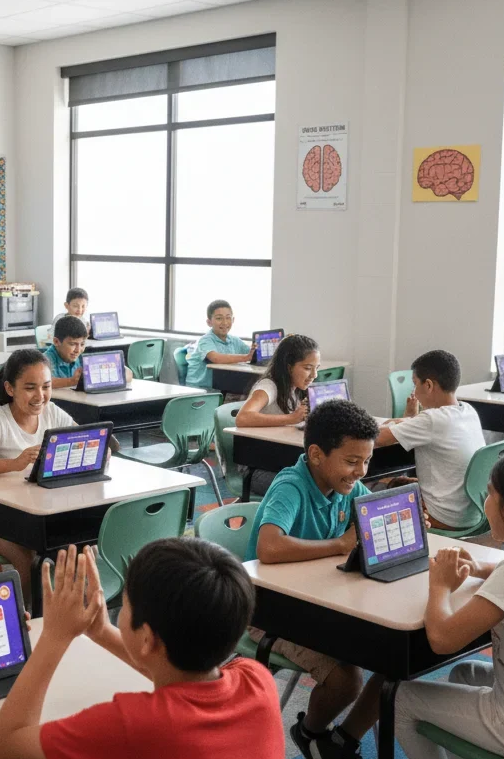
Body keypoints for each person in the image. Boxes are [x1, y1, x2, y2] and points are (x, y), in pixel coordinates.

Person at [0, 540, 285, 759]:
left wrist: (55, 635)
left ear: (146, 637)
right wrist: (102, 631)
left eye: (125, 602)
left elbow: (6, 744)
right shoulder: (257, 679)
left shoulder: (135, 724)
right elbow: (173, 669)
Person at [245, 399, 384, 759]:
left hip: (319, 602)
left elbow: (374, 510)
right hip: (267, 611)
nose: (360, 472)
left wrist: (405, 513)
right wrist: (339, 544)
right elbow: (269, 547)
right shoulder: (291, 485)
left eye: (366, 461)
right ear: (317, 455)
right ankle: (310, 732)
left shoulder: (347, 487)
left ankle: (341, 741)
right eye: (352, 461)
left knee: (391, 659)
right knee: (347, 679)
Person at [395, 447, 504, 759]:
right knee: (465, 673)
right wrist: (479, 569)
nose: (485, 502)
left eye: (490, 494)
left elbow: (441, 639)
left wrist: (440, 585)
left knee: (400, 697)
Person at [0, 349, 77, 600]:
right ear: (10, 389)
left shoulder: (51, 411)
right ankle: (25, 619)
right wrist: (15, 463)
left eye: (46, 386)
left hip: (39, 510)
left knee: (77, 544)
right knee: (27, 557)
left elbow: (80, 436)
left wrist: (99, 449)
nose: (40, 396)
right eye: (30, 388)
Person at [376, 350, 485, 530]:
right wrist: (406, 419)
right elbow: (425, 424)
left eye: (415, 384)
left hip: (442, 516)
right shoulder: (468, 411)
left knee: (377, 491)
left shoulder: (432, 420)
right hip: (471, 513)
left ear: (428, 385)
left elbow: (379, 439)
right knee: (397, 482)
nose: (414, 392)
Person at [235, 333, 320, 497]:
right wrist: (291, 418)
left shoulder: (295, 390)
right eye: (308, 368)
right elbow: (243, 417)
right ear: (289, 367)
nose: (314, 375)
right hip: (258, 470)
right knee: (314, 487)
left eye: (317, 368)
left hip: (282, 463)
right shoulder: (269, 386)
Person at [42, 315, 132, 391]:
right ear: (56, 342)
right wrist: (72, 381)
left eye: (82, 344)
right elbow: (43, 382)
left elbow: (128, 373)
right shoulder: (46, 359)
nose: (78, 350)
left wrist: (118, 376)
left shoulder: (83, 356)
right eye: (72, 344)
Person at [184, 300, 254, 390]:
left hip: (220, 388)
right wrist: (246, 357)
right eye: (219, 318)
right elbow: (216, 358)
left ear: (233, 320)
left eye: (228, 318)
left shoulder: (234, 340)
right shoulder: (205, 340)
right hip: (199, 391)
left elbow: (252, 354)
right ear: (209, 322)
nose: (225, 322)